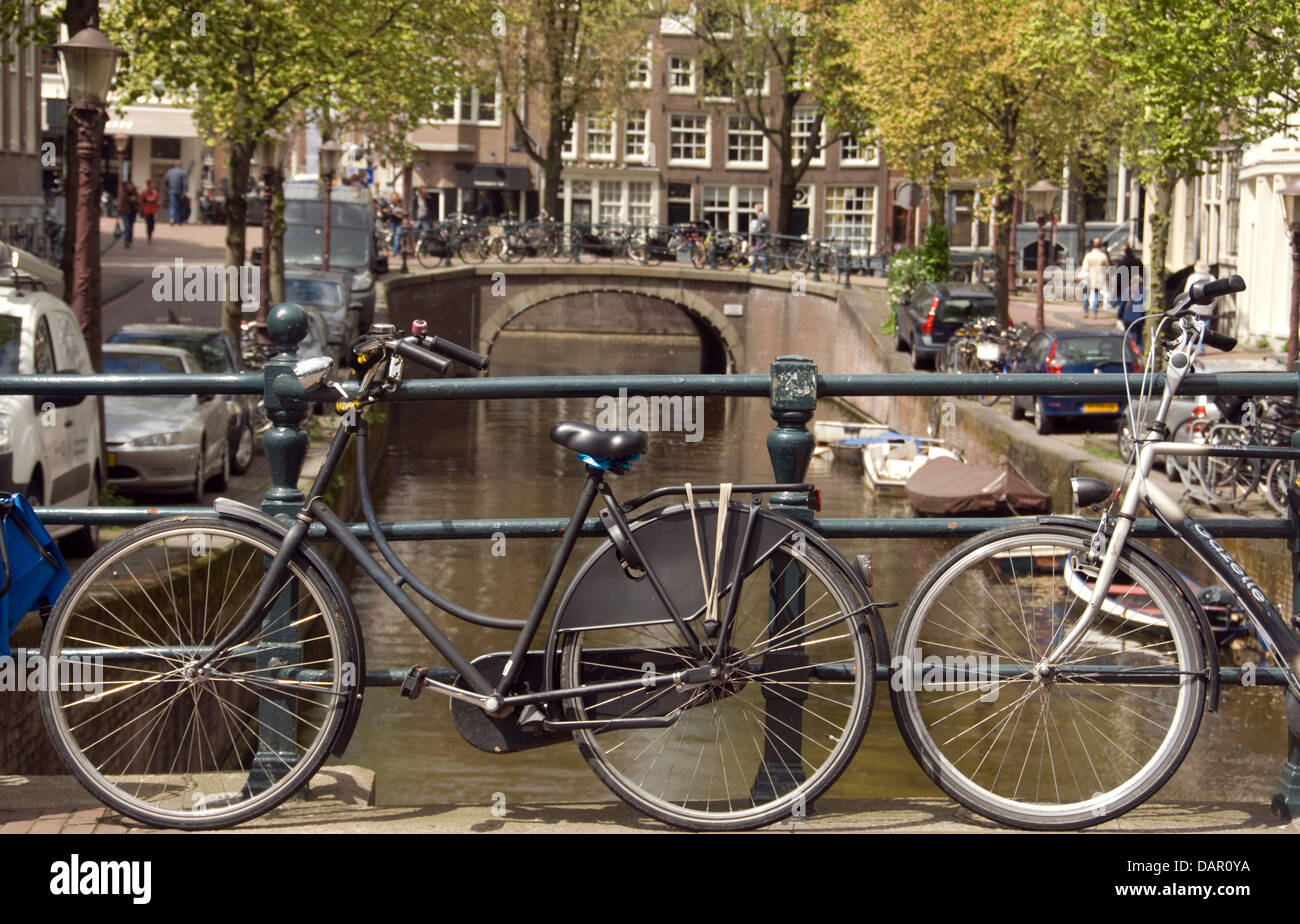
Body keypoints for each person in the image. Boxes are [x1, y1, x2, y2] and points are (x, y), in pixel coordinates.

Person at [1113, 241, 1143, 322]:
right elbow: (1142, 272)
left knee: (1123, 302)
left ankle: (1119, 312)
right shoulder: (1137, 261)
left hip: (1126, 285)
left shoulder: (1123, 262)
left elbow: (1119, 275)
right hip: (1136, 284)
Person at [1080, 236, 1109, 319]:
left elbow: (1084, 267)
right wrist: (1106, 277)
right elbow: (1106, 268)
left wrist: (1083, 277)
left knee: (1086, 295)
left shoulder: (1088, 255)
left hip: (1089, 277)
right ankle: (1095, 313)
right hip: (1099, 278)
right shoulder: (1103, 256)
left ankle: (1085, 311)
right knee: (1096, 295)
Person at [117, 180, 139, 249]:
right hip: (125, 212)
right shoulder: (124, 192)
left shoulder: (134, 192)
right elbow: (125, 199)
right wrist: (131, 199)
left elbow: (138, 200)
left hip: (132, 212)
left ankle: (129, 241)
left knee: (131, 227)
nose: (130, 187)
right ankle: (126, 241)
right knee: (127, 226)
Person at [749, 203, 769, 273]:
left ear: (758, 210)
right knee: (762, 253)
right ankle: (764, 268)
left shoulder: (761, 217)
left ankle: (753, 268)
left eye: (755, 209)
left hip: (761, 238)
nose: (754, 211)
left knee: (756, 252)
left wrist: (753, 231)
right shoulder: (766, 216)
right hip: (764, 237)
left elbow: (759, 229)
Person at [139, 178, 160, 243]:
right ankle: (149, 236)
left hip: (153, 210)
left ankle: (150, 234)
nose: (153, 185)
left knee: (153, 224)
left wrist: (150, 200)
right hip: (147, 210)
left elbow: (157, 199)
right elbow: (141, 199)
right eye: (152, 184)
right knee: (148, 224)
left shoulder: (155, 192)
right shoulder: (144, 192)